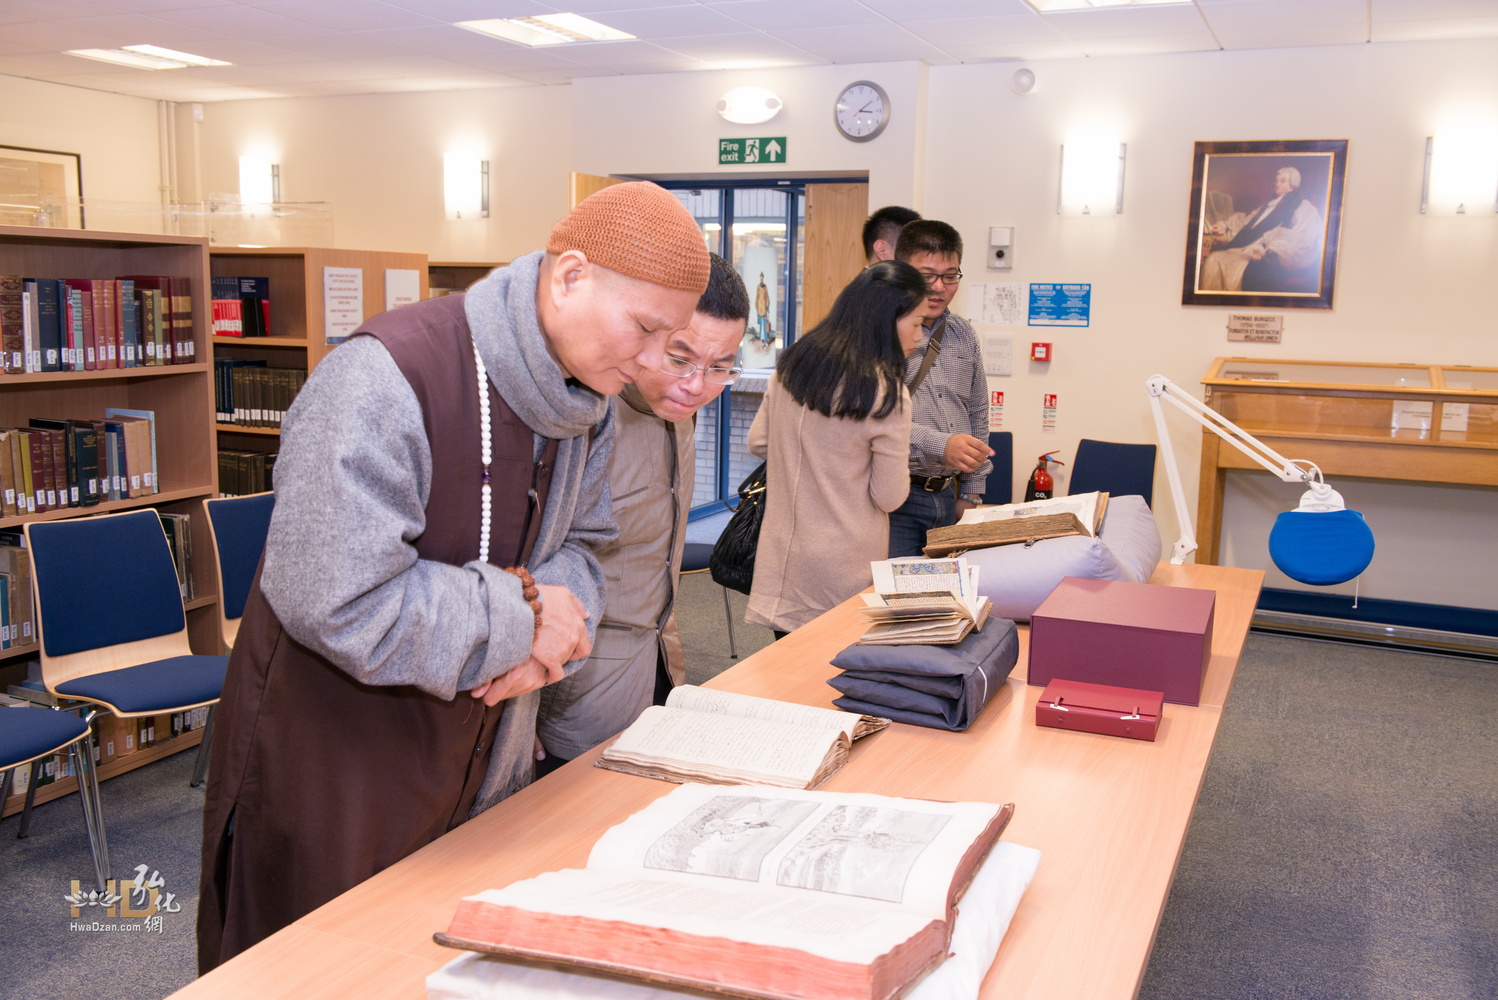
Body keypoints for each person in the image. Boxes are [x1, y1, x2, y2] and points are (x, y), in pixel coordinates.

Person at [196, 182, 710, 971]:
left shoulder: (590, 401)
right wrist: (524, 618)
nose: (649, 362)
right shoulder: (385, 373)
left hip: (488, 742)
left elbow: (588, 547)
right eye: (643, 329)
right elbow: (335, 598)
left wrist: (542, 639)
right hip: (340, 756)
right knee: (325, 972)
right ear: (569, 276)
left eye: (668, 341)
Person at [535, 253, 748, 773]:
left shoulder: (679, 412)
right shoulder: (579, 417)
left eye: (720, 367)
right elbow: (525, 567)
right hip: (573, 693)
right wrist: (522, 715)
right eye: (680, 357)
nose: (697, 386)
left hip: (658, 668)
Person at [745, 261, 927, 636]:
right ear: (888, 321)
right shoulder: (886, 392)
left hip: (783, 554)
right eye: (917, 323)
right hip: (844, 563)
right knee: (832, 681)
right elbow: (890, 496)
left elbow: (758, 442)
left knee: (787, 674)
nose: (921, 336)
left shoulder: (793, 365)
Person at [887, 219, 993, 558]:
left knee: (944, 599)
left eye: (950, 276)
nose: (939, 287)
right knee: (897, 602)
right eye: (926, 274)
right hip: (895, 495)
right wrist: (940, 444)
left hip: (948, 496)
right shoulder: (881, 332)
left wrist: (973, 491)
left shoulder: (963, 333)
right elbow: (874, 418)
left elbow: (977, 411)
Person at [1199, 166, 1325, 293]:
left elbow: (1302, 237)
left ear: (1293, 184)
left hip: (1269, 255)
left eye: (1283, 181)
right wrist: (1225, 225)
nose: (1277, 183)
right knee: (1214, 259)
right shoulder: (1268, 205)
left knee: (1244, 269)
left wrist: (1268, 248)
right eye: (1276, 180)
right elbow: (1248, 222)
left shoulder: (1303, 206)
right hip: (1247, 248)